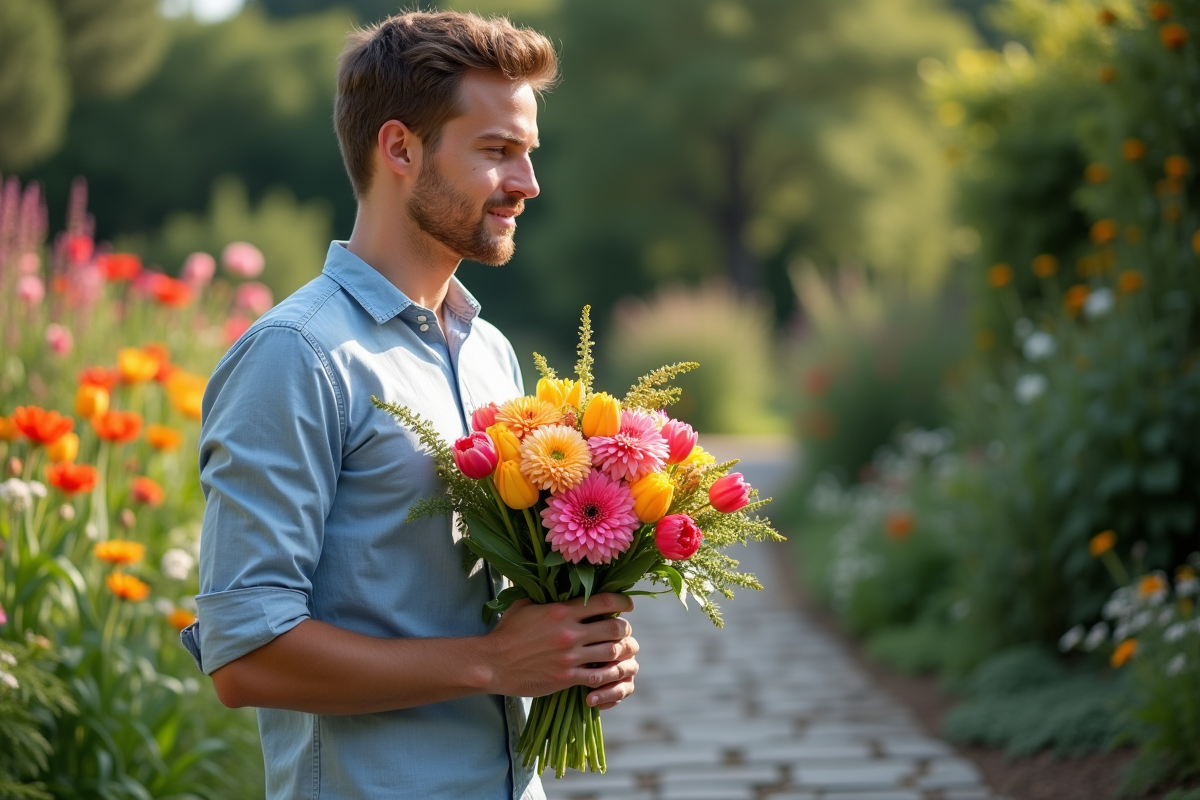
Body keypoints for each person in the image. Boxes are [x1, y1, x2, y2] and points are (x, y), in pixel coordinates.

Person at [180, 11, 639, 800]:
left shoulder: (489, 353)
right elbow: (245, 654)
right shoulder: (298, 356)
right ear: (399, 148)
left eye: (527, 154)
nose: (527, 185)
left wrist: (576, 641)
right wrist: (493, 663)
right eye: (497, 153)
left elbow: (496, 609)